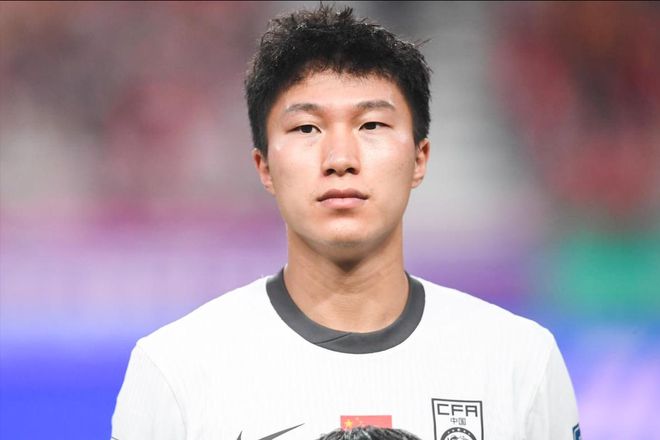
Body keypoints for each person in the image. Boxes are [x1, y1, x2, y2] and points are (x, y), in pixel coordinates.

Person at [111, 5, 580, 440]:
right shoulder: (176, 371)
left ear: (420, 158)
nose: (340, 158)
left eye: (371, 125)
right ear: (264, 166)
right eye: (306, 128)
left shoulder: (519, 362)